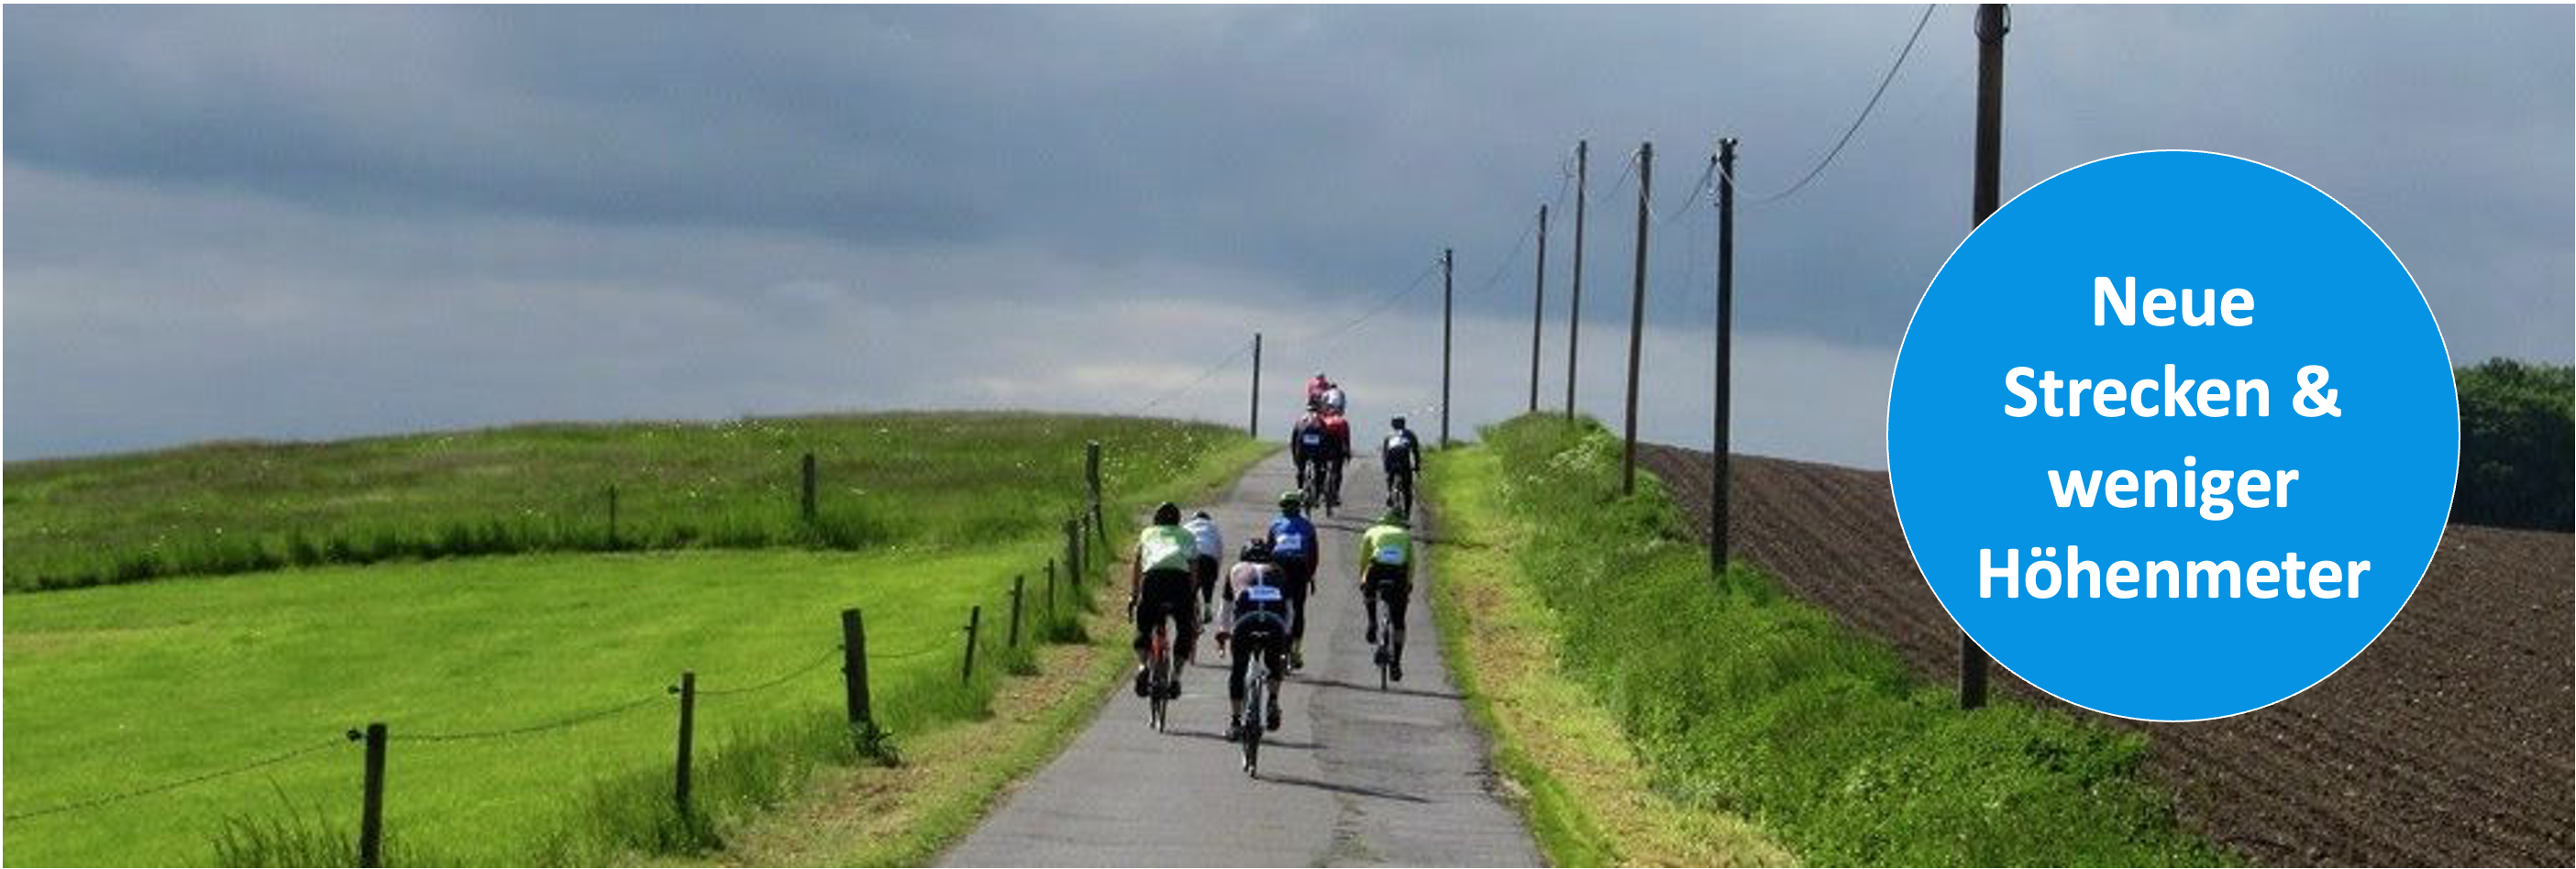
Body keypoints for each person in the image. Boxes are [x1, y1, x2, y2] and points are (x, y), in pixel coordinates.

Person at [1215, 540, 1292, 738]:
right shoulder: (1279, 571)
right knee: (1274, 663)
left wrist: (1223, 633)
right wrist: (1286, 635)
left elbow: (1225, 609)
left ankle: (1235, 722)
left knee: (1238, 670)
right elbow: (1290, 610)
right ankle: (1273, 700)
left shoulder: (1235, 569)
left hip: (1245, 623)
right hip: (1274, 623)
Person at [1128, 502, 1200, 698]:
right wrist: (1192, 596)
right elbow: (1194, 569)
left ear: (1156, 520)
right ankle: (1176, 677)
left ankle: (1143, 666)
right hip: (1179, 582)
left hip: (1153, 580)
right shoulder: (1187, 535)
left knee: (1144, 627)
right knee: (1185, 629)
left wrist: (1134, 595)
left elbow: (1137, 566)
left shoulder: (1148, 533)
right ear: (1177, 520)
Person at [1261, 490, 1321, 672]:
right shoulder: (1308, 526)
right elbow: (1313, 555)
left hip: (1278, 567)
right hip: (1299, 568)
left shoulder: (1274, 524)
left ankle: (1273, 643)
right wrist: (1309, 575)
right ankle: (1295, 651)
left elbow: (1268, 552)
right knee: (1298, 609)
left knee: (1275, 606)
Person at [1358, 509, 1416, 682]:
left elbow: (1364, 559)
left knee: (1369, 591)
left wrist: (1363, 581)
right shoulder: (1405, 535)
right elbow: (1411, 563)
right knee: (1399, 621)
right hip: (1398, 573)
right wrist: (1409, 584)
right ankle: (1396, 663)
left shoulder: (1372, 531)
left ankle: (1372, 622)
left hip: (1377, 568)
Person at [1183, 511, 1223, 630]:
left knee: (1191, 590)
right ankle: (1208, 606)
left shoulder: (1187, 526)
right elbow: (1219, 549)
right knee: (1208, 583)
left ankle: (1191, 616)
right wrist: (1216, 569)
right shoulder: (1213, 527)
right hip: (1209, 559)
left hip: (1192, 559)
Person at [1381, 416, 1422, 516]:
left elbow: (1385, 454)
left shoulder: (1388, 435)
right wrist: (1417, 467)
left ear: (1392, 425)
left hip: (1391, 456)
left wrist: (1386, 469)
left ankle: (1389, 493)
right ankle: (1407, 513)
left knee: (1390, 478)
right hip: (1403, 458)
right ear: (1404, 424)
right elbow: (1416, 452)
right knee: (1407, 488)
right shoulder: (1410, 434)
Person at [1289, 404, 1331, 497]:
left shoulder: (1300, 420)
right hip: (1317, 450)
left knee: (1301, 469)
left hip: (1302, 448)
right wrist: (1326, 458)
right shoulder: (1321, 421)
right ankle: (1318, 492)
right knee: (1319, 469)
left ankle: (1300, 489)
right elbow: (1327, 440)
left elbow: (1293, 440)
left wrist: (1295, 457)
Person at [1319, 410, 1352, 510]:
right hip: (1337, 449)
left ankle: (1320, 490)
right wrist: (1347, 454)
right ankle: (1336, 494)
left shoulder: (1323, 420)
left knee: (1321, 468)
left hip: (1324, 448)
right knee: (1337, 472)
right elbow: (1346, 439)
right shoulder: (1343, 422)